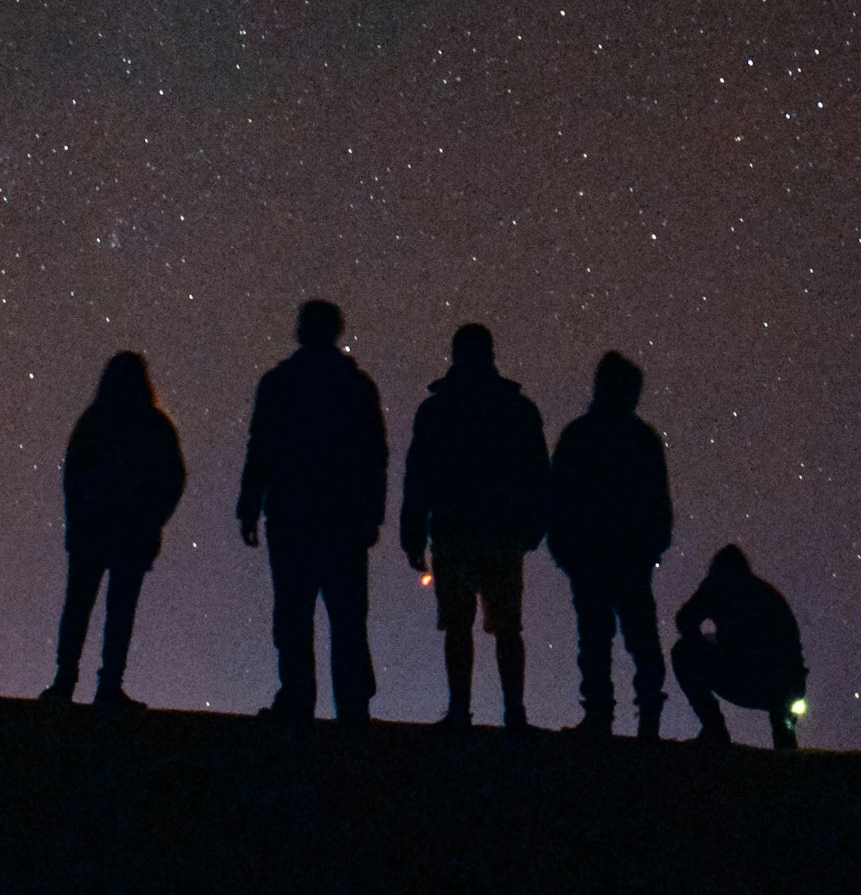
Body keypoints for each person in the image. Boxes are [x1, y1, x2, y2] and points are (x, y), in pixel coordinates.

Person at [237, 298, 389, 726]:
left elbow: (261, 447)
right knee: (346, 615)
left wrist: (250, 504)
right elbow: (374, 454)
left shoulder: (280, 383)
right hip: (342, 518)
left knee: (293, 612)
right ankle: (353, 706)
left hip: (293, 515)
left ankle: (298, 698)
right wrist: (372, 513)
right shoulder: (356, 386)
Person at [399, 322, 549, 732]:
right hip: (502, 530)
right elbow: (537, 471)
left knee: (459, 623)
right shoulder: (515, 408)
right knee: (506, 626)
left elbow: (419, 475)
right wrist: (535, 523)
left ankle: (460, 711)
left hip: (455, 529)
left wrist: (413, 533)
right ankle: (513, 714)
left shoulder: (438, 409)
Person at [40, 351, 186, 707]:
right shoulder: (154, 425)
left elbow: (73, 477)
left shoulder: (95, 422)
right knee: (117, 612)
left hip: (97, 532)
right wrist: (152, 520)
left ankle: (66, 683)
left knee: (80, 608)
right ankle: (106, 686)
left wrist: (79, 522)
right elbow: (173, 479)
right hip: (127, 535)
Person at [547, 351, 673, 739]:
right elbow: (657, 502)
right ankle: (643, 717)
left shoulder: (580, 436)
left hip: (598, 555)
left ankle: (602, 715)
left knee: (600, 638)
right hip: (620, 556)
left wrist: (564, 548)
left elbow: (558, 498)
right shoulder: (640, 440)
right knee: (633, 638)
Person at [671, 544, 807, 750]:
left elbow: (685, 619)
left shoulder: (717, 587)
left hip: (751, 676)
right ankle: (785, 742)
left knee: (682, 654)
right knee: (783, 713)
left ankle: (714, 728)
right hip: (781, 682)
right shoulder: (767, 594)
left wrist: (701, 642)